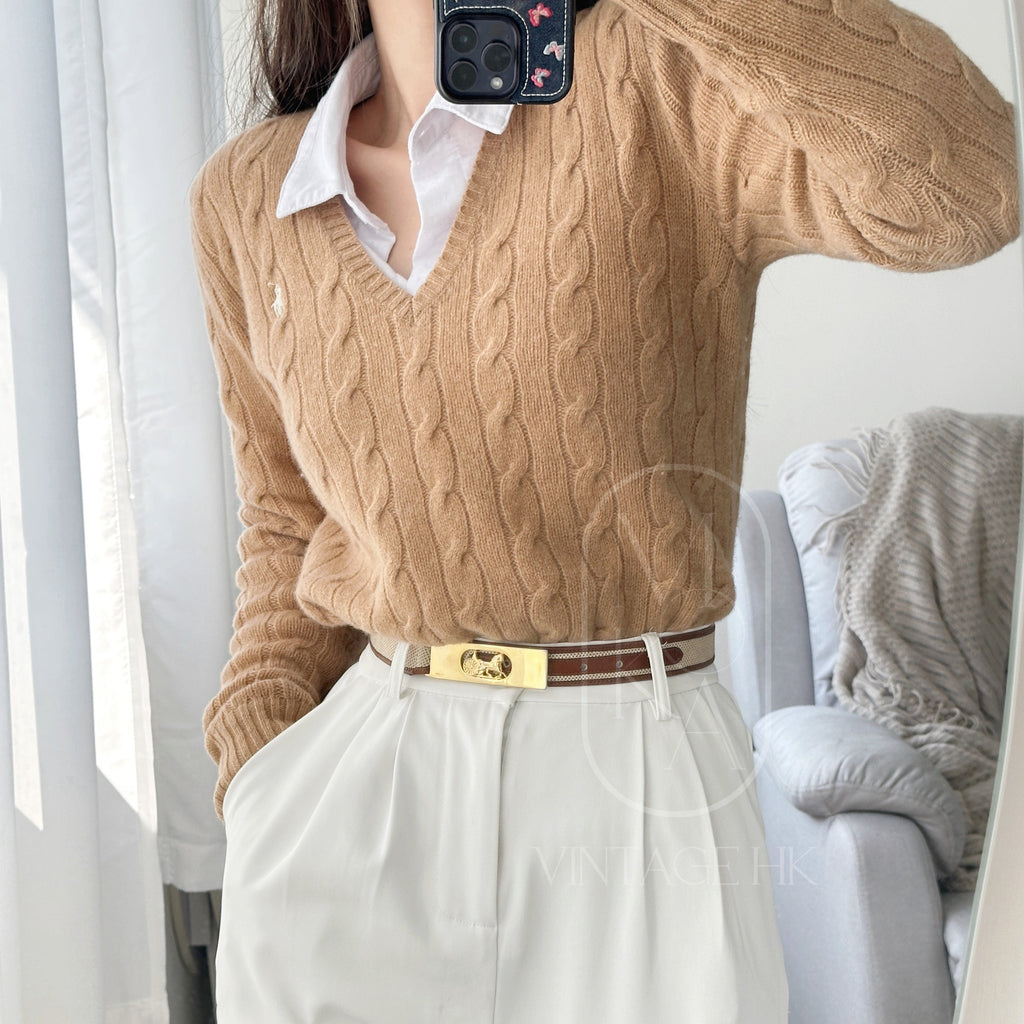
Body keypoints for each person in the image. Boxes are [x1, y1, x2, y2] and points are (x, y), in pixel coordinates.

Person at [188, 0, 1019, 1019]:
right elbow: (286, 524)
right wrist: (261, 776)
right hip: (361, 793)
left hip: (640, 778)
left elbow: (969, 190)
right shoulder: (245, 196)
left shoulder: (653, 78)